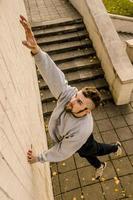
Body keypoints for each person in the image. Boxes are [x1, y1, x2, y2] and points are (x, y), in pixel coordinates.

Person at [20, 15, 122, 179]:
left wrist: (38, 158)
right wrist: (36, 50)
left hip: (82, 137)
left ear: (87, 111)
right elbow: (53, 75)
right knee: (84, 152)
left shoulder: (81, 130)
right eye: (77, 95)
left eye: (79, 102)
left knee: (93, 149)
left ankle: (115, 148)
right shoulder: (69, 96)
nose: (72, 100)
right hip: (76, 137)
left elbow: (61, 151)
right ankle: (101, 163)